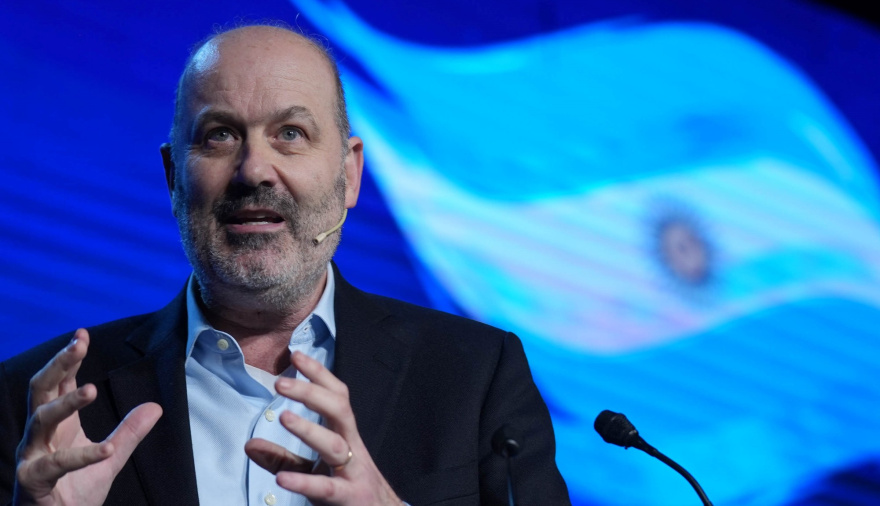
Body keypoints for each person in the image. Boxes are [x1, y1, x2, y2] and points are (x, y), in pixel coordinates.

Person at [0, 25, 570, 506]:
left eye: (291, 134)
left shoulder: (477, 375)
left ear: (349, 174)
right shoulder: (32, 404)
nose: (254, 170)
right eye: (220, 135)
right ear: (174, 177)